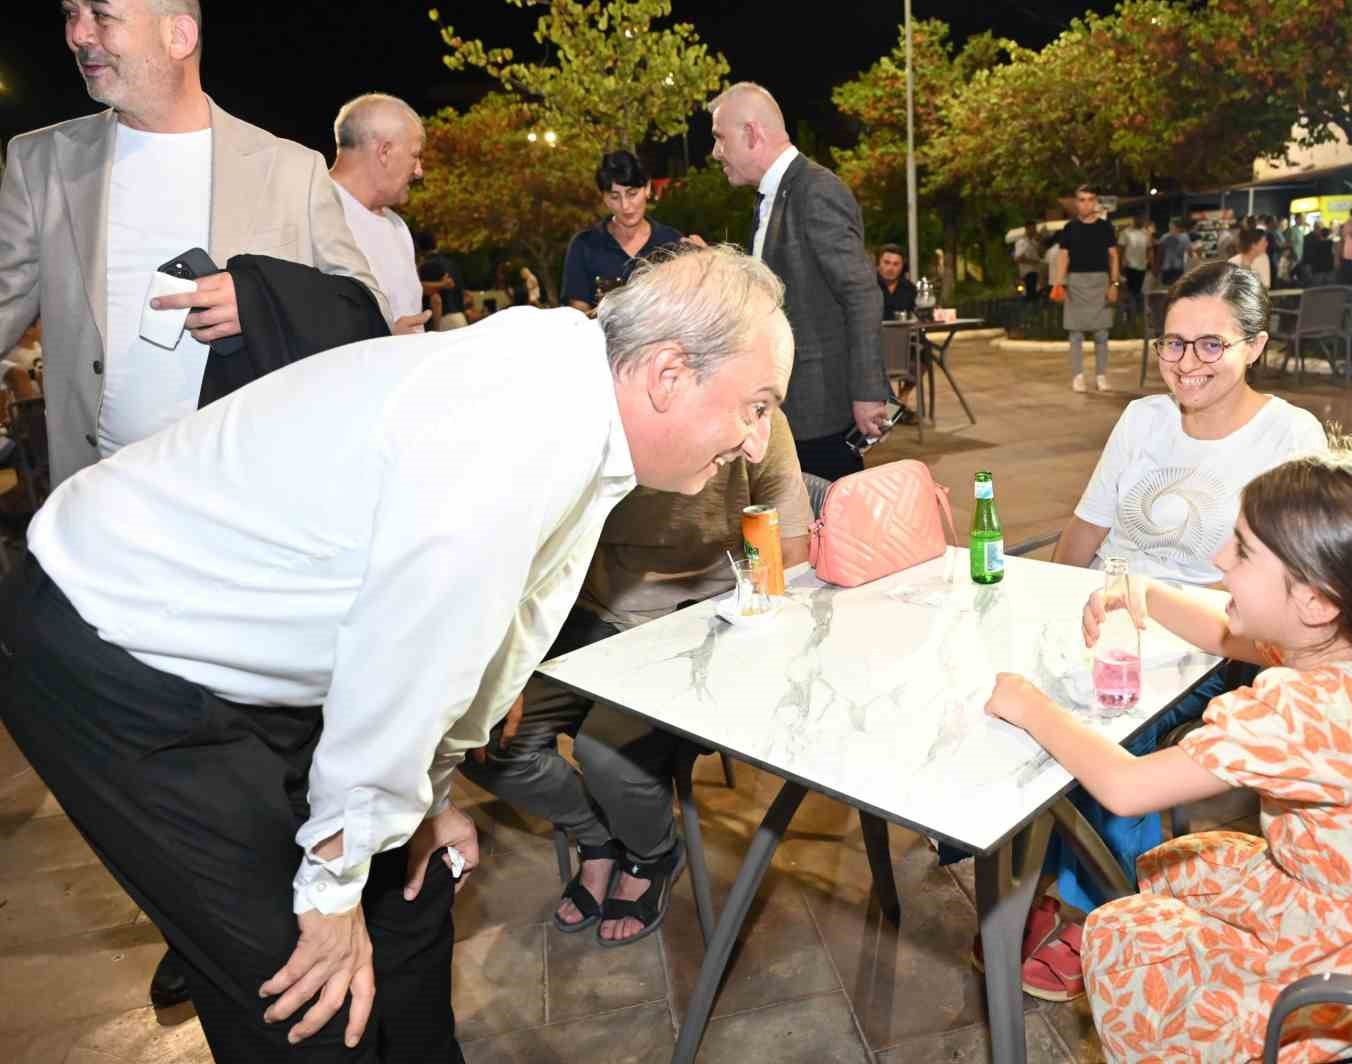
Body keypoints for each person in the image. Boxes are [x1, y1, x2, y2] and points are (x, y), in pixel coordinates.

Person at [0, 243, 794, 1063]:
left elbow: (488, 635)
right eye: (756, 406)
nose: (756, 441)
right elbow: (409, 651)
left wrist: (427, 794)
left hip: (261, 657)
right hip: (113, 649)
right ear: (667, 374)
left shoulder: (573, 385)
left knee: (415, 897)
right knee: (302, 992)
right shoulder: (525, 422)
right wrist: (333, 885)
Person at [987, 435, 1352, 1061]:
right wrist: (1145, 593)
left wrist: (1028, 704)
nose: (1218, 558)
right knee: (1186, 862)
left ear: (1318, 601)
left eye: (1241, 549)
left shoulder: (1309, 712)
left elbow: (1126, 789)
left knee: (1127, 932)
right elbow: (1229, 633)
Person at [1016, 263, 1325, 1003]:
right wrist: (1054, 603)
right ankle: (1029, 870)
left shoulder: (1289, 434)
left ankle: (1094, 912)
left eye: (1211, 346)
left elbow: (1276, 594)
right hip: (1108, 613)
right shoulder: (1143, 419)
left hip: (1210, 638)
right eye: (1173, 345)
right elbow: (1088, 526)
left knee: (1111, 727)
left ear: (1255, 345)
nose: (1188, 365)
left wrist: (1151, 610)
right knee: (1009, 687)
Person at [0, 0, 386, 489]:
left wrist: (260, 298)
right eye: (69, 14)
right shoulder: (40, 162)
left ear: (178, 36)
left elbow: (367, 308)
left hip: (250, 496)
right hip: (101, 498)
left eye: (101, 15)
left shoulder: (290, 169)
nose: (78, 34)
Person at [461, 409, 811, 947]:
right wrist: (499, 658)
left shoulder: (753, 416)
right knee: (476, 737)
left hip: (703, 619)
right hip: (588, 613)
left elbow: (793, 547)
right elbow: (520, 548)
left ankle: (651, 854)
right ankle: (598, 839)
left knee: (607, 754)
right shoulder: (592, 418)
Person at [711, 81, 890, 481]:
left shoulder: (816, 190)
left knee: (831, 529)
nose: (716, 152)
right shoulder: (773, 197)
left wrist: (867, 391)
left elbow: (861, 293)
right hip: (791, 408)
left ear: (752, 133)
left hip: (821, 412)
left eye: (720, 139)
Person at [328, 94, 430, 336]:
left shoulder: (398, 226)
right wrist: (380, 339)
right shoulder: (311, 209)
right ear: (385, 151)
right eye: (415, 156)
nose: (419, 171)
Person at [562, 150, 688, 313]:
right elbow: (577, 319)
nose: (625, 206)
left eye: (632, 194)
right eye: (614, 197)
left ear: (647, 188)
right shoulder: (584, 246)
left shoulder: (672, 242)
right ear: (604, 198)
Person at [1050, 185, 1120, 393]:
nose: (1086, 203)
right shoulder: (1069, 228)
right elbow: (1063, 257)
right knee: (1075, 335)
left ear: (1095, 202)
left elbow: (1114, 256)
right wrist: (1058, 283)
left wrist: (1114, 284)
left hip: (1101, 282)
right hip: (1075, 283)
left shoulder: (1105, 227)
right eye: (1082, 199)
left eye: (1090, 199)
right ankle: (1078, 376)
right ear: (1076, 202)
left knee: (1101, 334)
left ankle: (1101, 376)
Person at [415, 231, 467, 331]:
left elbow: (436, 299)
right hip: (460, 317)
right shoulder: (452, 264)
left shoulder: (426, 267)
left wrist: (435, 328)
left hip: (442, 320)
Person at [877, 243, 917, 320]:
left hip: (903, 331)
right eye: (886, 262)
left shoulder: (909, 288)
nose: (890, 268)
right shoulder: (867, 287)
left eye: (896, 264)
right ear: (878, 264)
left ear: (902, 267)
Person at [1119, 217, 1151, 305]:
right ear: (1134, 220)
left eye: (1142, 219)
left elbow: (1148, 249)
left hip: (1142, 266)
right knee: (1129, 290)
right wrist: (1120, 265)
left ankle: (1135, 309)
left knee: (1138, 289)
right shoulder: (1125, 232)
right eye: (1139, 218)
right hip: (1129, 266)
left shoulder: (1146, 233)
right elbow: (1120, 250)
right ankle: (1129, 309)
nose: (1141, 221)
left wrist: (1149, 262)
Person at [1014, 221, 1043, 300]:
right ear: (1027, 229)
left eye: (1035, 229)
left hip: (1036, 272)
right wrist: (1032, 262)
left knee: (1037, 294)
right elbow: (1018, 258)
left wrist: (1040, 241)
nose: (1034, 231)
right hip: (1028, 273)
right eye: (1032, 229)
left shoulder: (1033, 241)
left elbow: (1040, 253)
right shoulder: (1022, 242)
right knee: (1031, 295)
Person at [1157, 219, 1191, 286]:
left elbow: (1159, 252)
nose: (1169, 227)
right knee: (1177, 287)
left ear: (1175, 226)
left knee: (1167, 287)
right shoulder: (1185, 237)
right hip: (1178, 267)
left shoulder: (1164, 237)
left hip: (1167, 267)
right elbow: (1189, 251)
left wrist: (1158, 265)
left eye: (1170, 225)